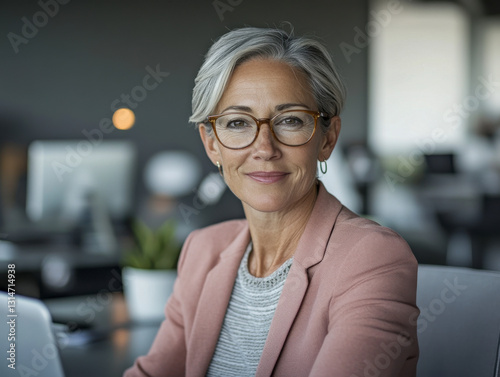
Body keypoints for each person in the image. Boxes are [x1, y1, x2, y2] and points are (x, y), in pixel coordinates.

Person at [124, 26, 419, 377]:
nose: (264, 148)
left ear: (327, 138)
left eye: (290, 120)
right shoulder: (202, 250)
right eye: (237, 123)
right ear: (211, 144)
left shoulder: (371, 258)